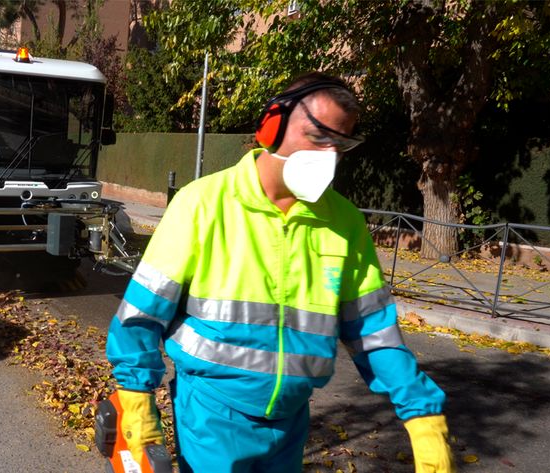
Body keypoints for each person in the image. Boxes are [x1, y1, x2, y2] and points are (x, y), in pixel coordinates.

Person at [105, 72, 455, 473]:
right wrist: (136, 402)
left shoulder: (344, 222)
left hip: (291, 425)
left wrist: (423, 416)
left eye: (339, 144)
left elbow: (374, 335)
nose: (328, 155)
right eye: (318, 137)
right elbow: (140, 317)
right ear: (272, 125)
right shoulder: (202, 205)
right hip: (211, 419)